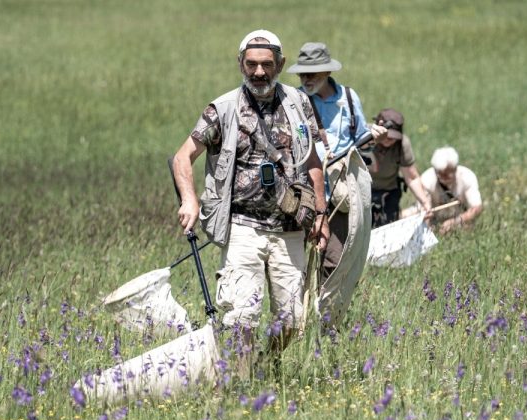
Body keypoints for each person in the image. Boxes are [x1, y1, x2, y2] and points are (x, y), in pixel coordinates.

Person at [172, 30, 330, 375]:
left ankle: (265, 364)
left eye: (267, 65)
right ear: (241, 64)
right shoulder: (223, 108)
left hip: (291, 228)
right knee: (241, 316)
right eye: (252, 64)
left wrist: (321, 212)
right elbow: (182, 157)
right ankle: (240, 383)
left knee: (292, 320)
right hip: (242, 227)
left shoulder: (299, 104)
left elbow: (314, 161)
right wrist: (189, 200)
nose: (259, 72)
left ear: (281, 65)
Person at [286, 42, 385, 328]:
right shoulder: (295, 102)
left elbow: (360, 140)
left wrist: (373, 136)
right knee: (295, 265)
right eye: (302, 74)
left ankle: (327, 325)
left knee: (335, 261)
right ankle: (295, 323)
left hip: (341, 195)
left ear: (327, 71)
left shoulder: (350, 99)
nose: (306, 79)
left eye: (312, 73)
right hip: (303, 195)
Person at [366, 108, 432, 227]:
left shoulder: (402, 145)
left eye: (393, 137)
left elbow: (412, 177)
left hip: (388, 191)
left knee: (388, 229)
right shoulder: (362, 136)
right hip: (361, 191)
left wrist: (424, 202)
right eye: (385, 135)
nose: (388, 139)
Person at [415, 146, 483, 235]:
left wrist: (455, 222)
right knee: (406, 215)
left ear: (455, 168)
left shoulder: (467, 176)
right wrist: (427, 231)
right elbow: (423, 211)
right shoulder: (427, 179)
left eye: (449, 172)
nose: (445, 177)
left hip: (461, 220)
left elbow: (476, 208)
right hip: (434, 220)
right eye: (441, 173)